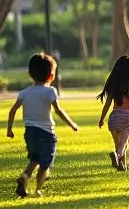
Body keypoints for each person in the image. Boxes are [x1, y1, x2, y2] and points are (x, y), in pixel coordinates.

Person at [6, 53, 78, 198]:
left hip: (30, 133)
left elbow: (13, 110)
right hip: (46, 133)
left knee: (34, 159)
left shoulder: (25, 93)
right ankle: (37, 190)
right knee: (45, 163)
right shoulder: (50, 91)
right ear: (51, 76)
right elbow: (58, 110)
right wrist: (71, 124)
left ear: (30, 74)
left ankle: (25, 176)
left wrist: (10, 129)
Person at [97, 55, 129, 172]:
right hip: (126, 118)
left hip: (113, 118)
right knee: (123, 144)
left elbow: (107, 104)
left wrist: (101, 119)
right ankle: (117, 155)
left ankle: (122, 166)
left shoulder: (113, 87)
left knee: (118, 144)